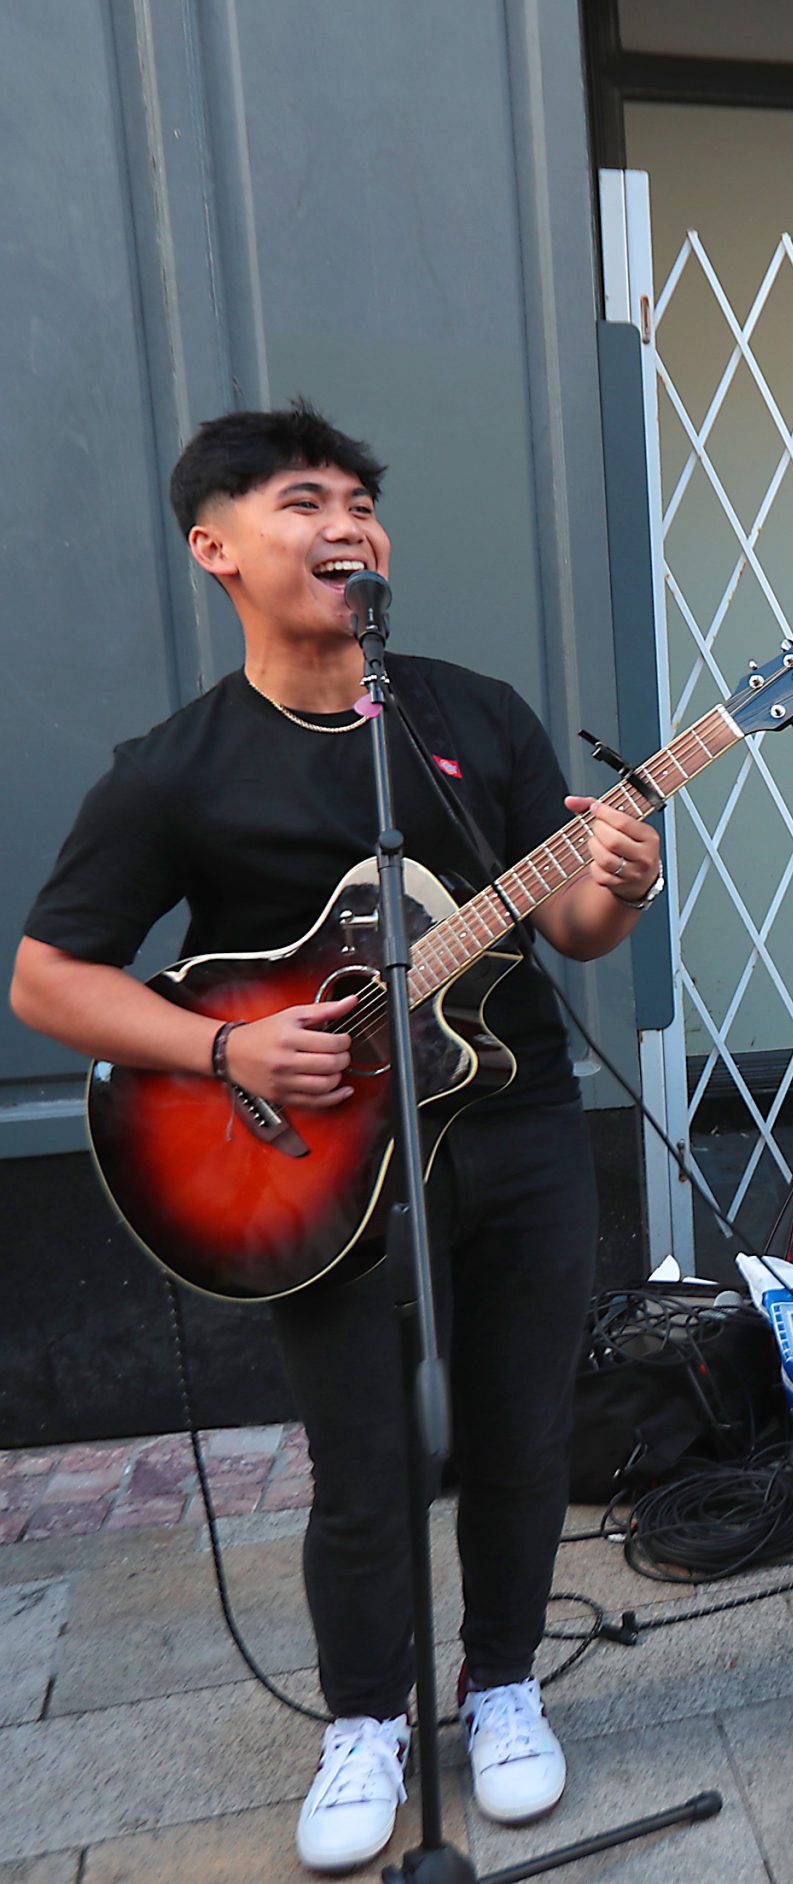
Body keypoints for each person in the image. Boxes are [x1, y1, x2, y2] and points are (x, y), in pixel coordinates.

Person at [9, 403, 663, 1873]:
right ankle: (365, 1716)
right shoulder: (176, 770)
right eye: (305, 500)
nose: (348, 523)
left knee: (524, 1433)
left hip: (517, 1120)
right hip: (307, 1163)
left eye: (363, 500)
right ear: (217, 546)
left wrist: (622, 877)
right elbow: (48, 977)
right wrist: (225, 1045)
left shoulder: (464, 716)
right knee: (364, 1460)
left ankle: (501, 1684)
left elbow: (566, 923)